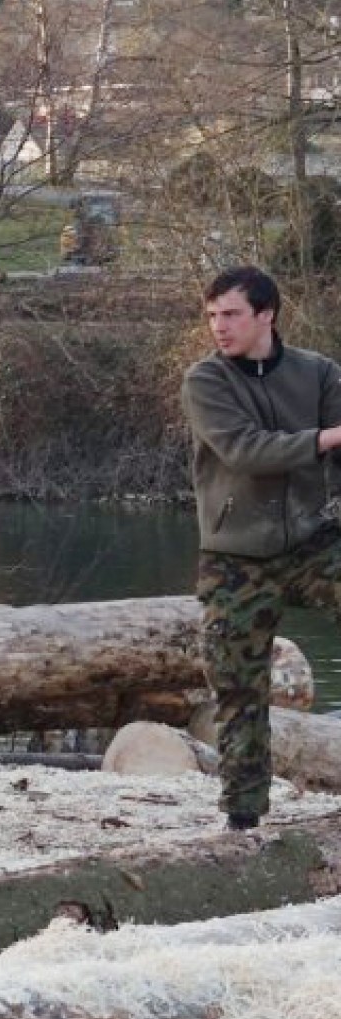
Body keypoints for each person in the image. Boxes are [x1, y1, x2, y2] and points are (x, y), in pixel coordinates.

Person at [181, 264, 341, 831]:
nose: (218, 327)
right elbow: (248, 452)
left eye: (231, 314)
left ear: (266, 314)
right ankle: (243, 818)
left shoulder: (318, 374)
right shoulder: (206, 382)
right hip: (235, 557)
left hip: (311, 540)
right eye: (212, 316)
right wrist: (325, 438)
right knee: (237, 686)